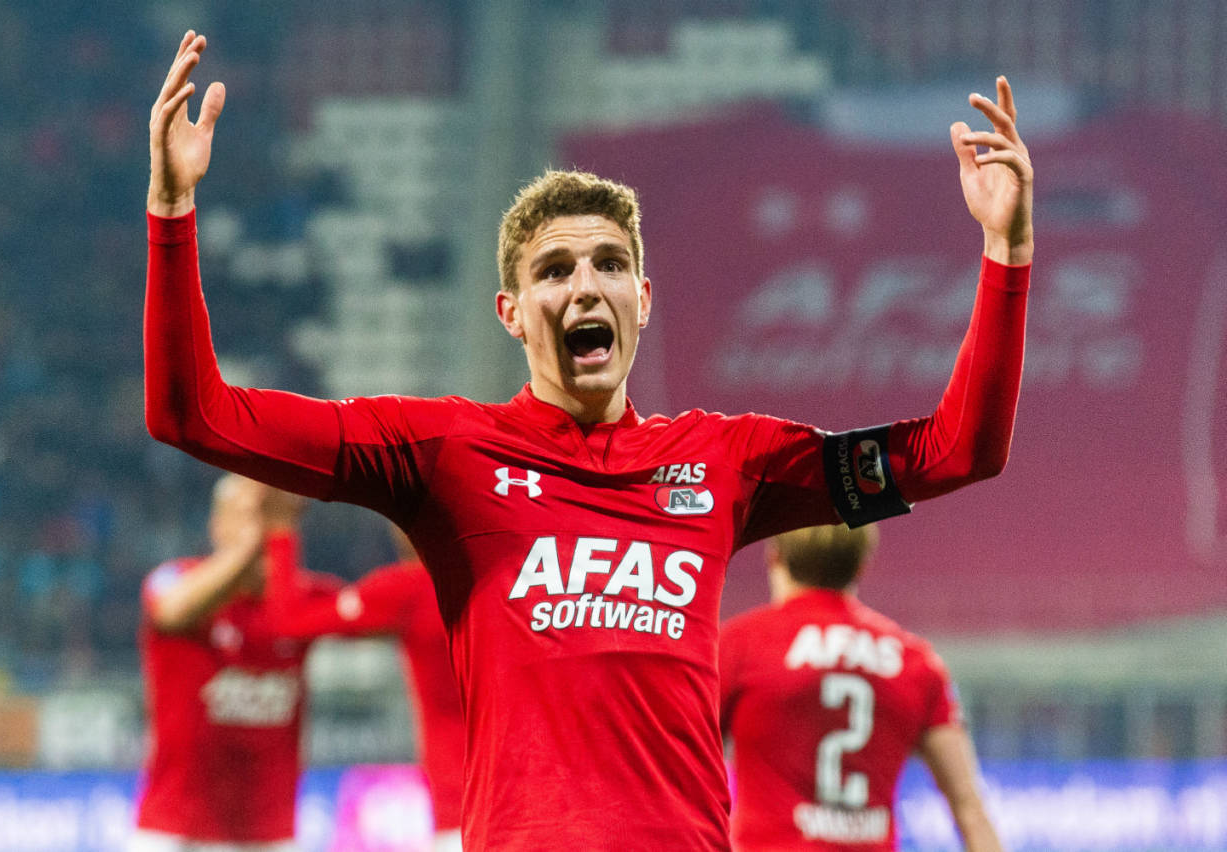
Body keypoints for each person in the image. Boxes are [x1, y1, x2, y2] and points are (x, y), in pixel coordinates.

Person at [144, 30, 1032, 851]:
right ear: (512, 313)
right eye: (554, 270)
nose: (585, 286)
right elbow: (193, 413)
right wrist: (173, 209)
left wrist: (1006, 256)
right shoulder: (444, 452)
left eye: (610, 264)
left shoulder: (727, 461)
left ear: (643, 299)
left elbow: (958, 451)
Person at [719, 524, 1003, 851]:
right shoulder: (915, 661)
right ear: (864, 564)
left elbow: (686, 769)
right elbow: (968, 805)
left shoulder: (741, 645)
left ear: (774, 557)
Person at [133, 474, 333, 852]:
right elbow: (173, 611)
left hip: (269, 839)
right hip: (176, 834)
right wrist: (250, 549)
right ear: (216, 525)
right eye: (247, 515)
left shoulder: (306, 598)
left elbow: (397, 609)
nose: (259, 527)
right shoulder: (174, 578)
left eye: (268, 516)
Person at [263, 529, 465, 851]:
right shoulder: (517, 580)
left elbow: (288, 621)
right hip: (552, 799)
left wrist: (281, 531)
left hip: (465, 814)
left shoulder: (411, 586)